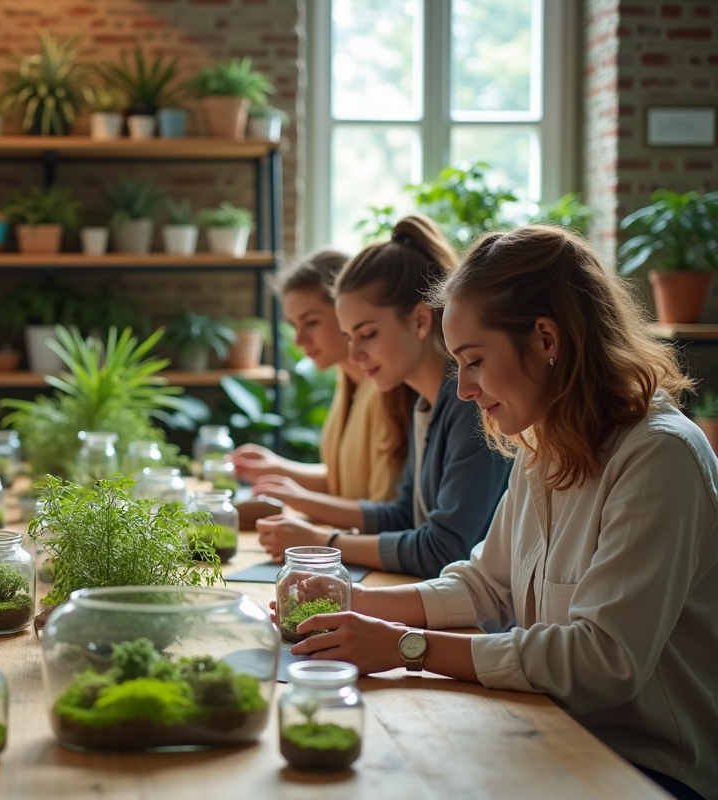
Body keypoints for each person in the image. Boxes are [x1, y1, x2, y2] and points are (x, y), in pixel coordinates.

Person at [285, 225, 717, 800]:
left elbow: (601, 659)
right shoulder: (543, 444)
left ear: (545, 338)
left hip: (650, 771)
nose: (462, 389)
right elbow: (487, 586)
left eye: (474, 360)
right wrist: (355, 603)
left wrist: (402, 647)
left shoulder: (659, 456)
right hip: (554, 733)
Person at [255, 216, 511, 578]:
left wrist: (324, 541)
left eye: (368, 334)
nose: (355, 354)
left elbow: (445, 549)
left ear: (420, 321)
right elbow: (402, 514)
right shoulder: (424, 402)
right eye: (349, 336)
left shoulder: (470, 402)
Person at [231, 248, 411, 503]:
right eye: (294, 325)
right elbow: (343, 483)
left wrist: (301, 503)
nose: (299, 340)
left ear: (346, 312)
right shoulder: (347, 380)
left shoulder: (387, 388)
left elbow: (382, 510)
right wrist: (275, 468)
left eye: (312, 322)